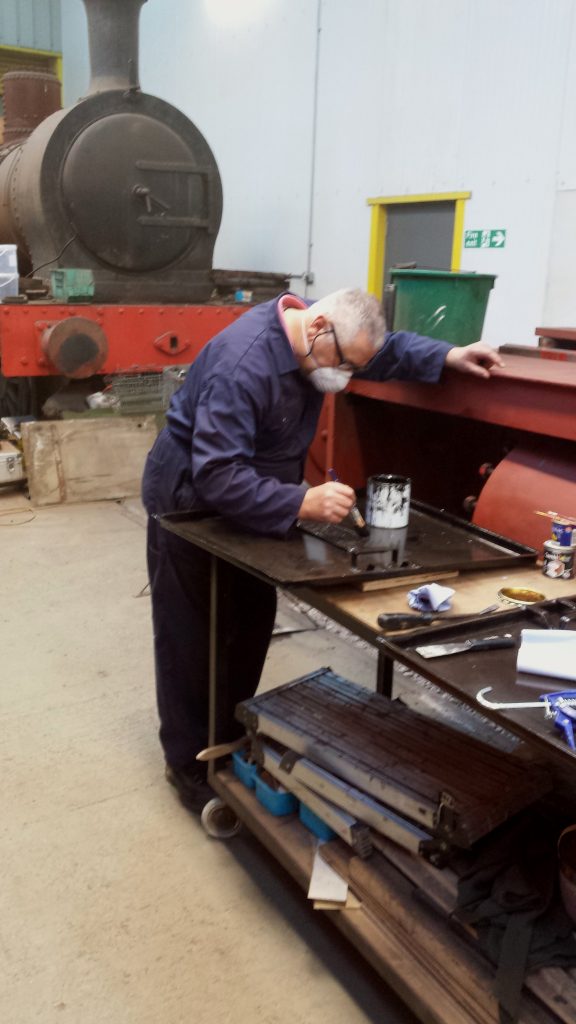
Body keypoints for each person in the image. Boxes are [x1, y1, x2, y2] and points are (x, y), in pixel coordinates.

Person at [142, 288, 503, 812]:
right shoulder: (241, 365)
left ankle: (232, 736)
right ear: (316, 331)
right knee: (192, 638)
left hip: (257, 498)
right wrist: (300, 500)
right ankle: (191, 766)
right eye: (344, 364)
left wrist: (446, 355)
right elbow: (217, 473)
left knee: (247, 623)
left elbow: (385, 351)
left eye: (356, 367)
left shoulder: (327, 334)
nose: (347, 378)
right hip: (190, 500)